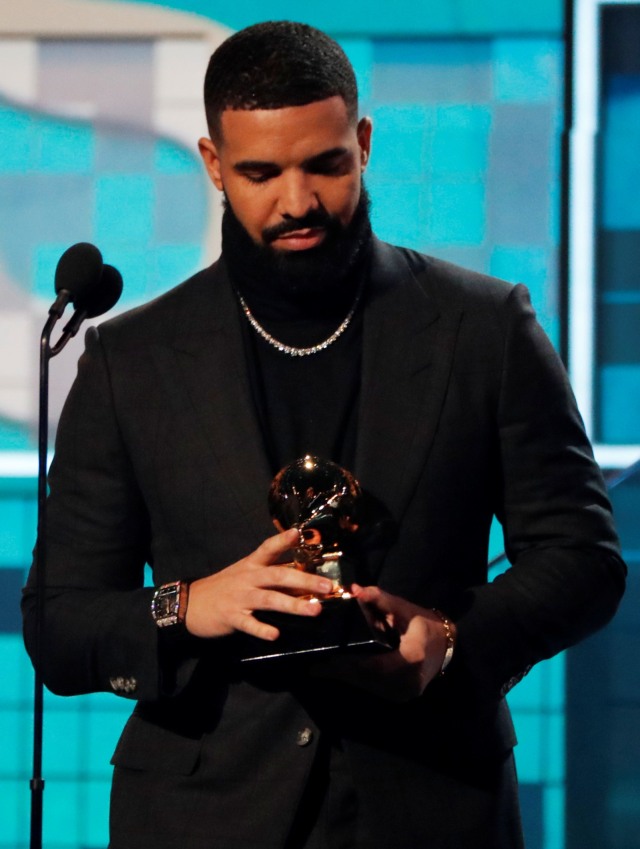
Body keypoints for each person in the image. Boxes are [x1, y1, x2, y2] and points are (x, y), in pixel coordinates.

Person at [23, 20, 626, 849]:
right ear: (212, 166)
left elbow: (583, 561)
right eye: (260, 173)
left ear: (365, 143)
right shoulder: (130, 360)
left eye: (325, 164)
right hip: (202, 817)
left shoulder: (484, 328)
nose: (296, 201)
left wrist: (449, 641)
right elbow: (59, 626)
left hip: (435, 802)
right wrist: (190, 604)